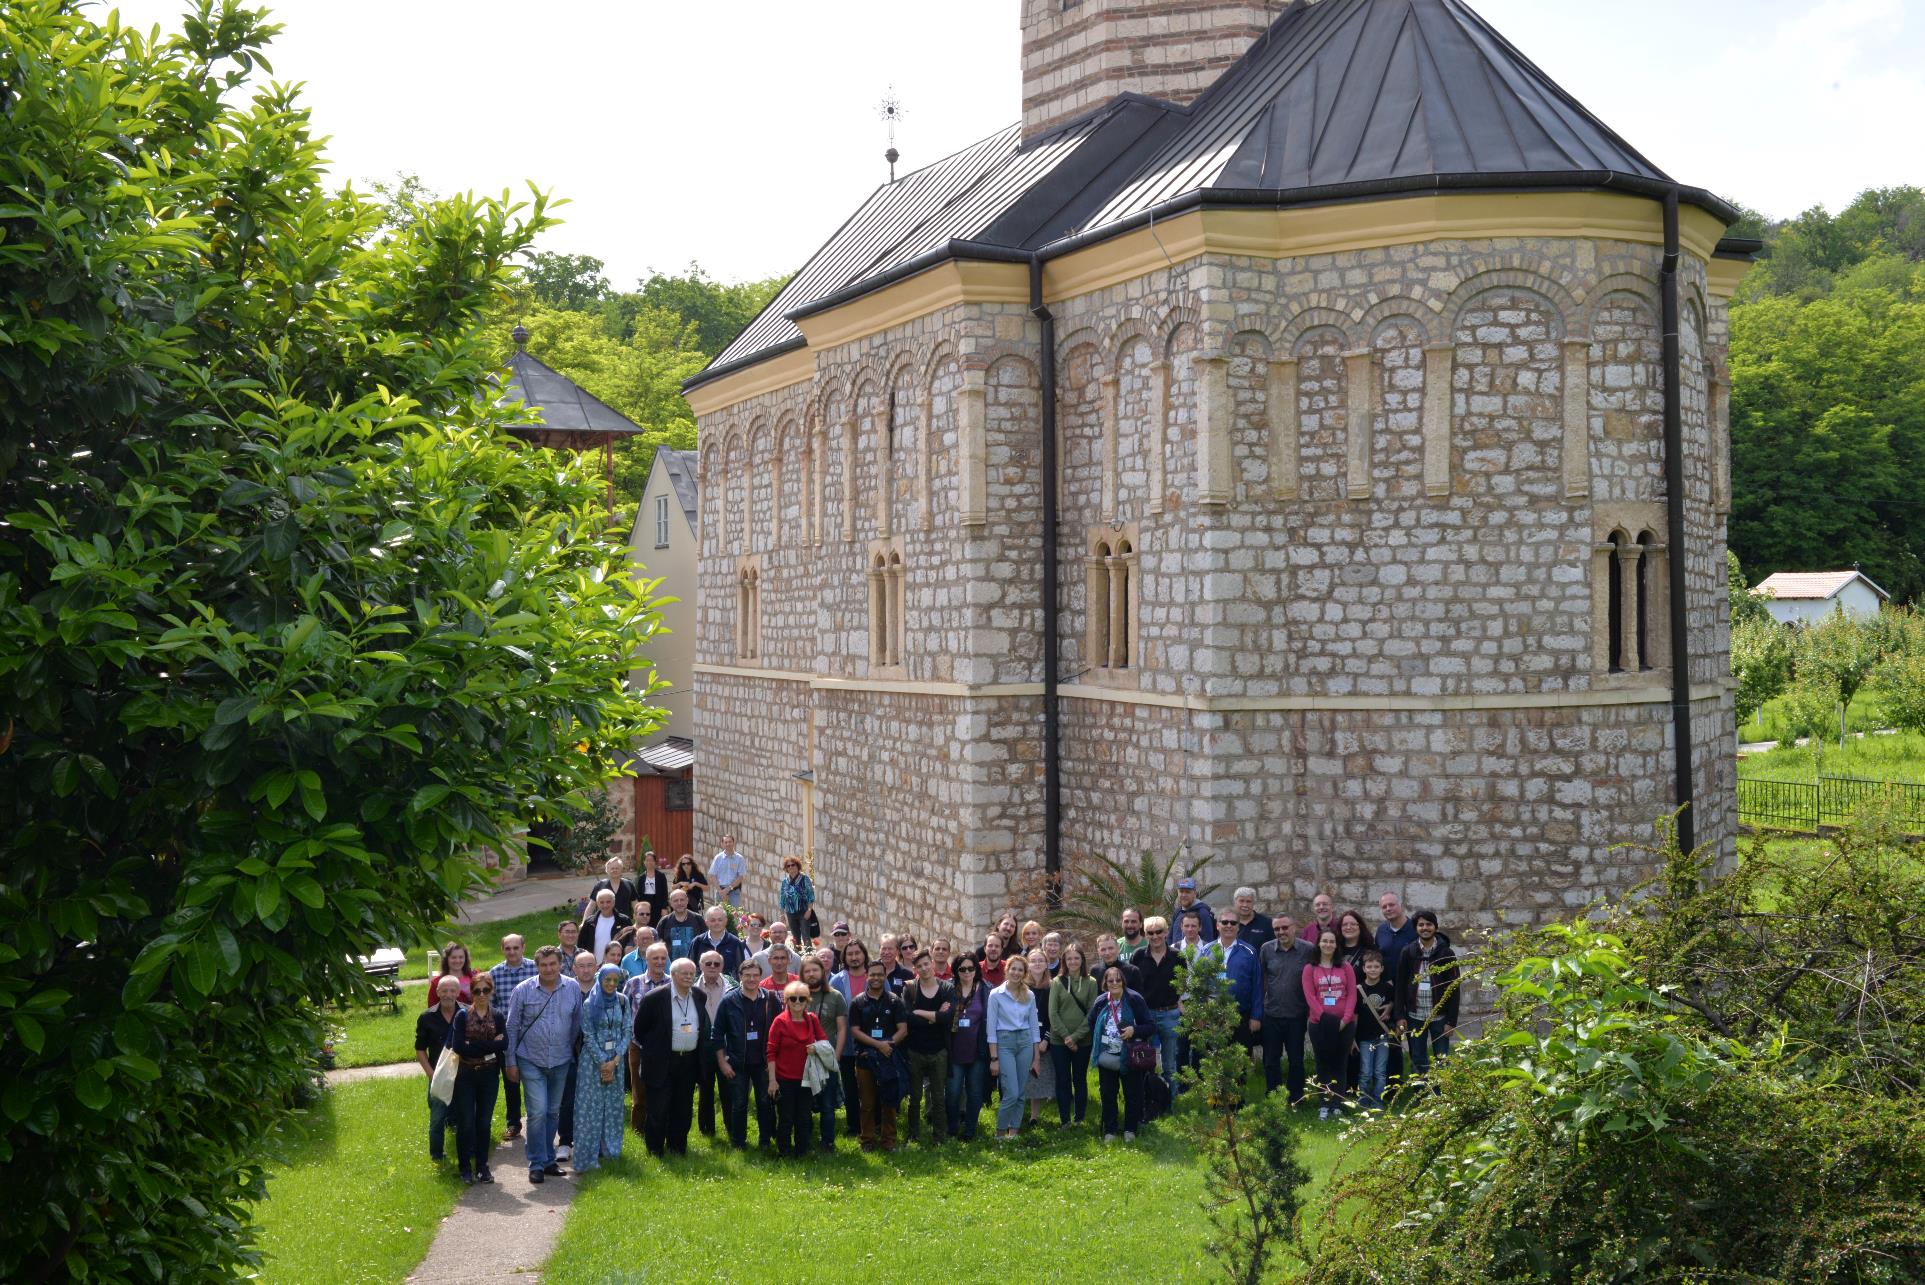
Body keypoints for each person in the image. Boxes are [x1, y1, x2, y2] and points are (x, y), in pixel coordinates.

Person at [504, 946, 582, 1185]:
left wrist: (569, 1053)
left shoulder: (573, 987)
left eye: (552, 964)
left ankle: (548, 1160)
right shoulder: (523, 990)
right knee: (537, 1112)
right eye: (543, 965)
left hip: (561, 1059)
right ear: (536, 966)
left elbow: (577, 1023)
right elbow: (512, 1027)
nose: (548, 969)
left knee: (552, 1112)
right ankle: (536, 1163)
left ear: (560, 964)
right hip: (531, 1059)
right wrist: (510, 1062)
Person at [631, 957, 711, 1156]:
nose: (688, 977)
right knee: (658, 1108)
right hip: (661, 1061)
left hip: (689, 1062)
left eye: (691, 973)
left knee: (683, 1108)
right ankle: (655, 1149)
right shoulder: (654, 998)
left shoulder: (700, 996)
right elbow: (640, 1030)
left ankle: (677, 1148)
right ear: (673, 975)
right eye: (684, 973)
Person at [1085, 963, 1155, 1141]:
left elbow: (1150, 1026)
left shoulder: (1134, 999)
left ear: (1123, 982)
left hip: (1130, 1055)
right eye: (1110, 981)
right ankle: (1110, 1129)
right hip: (1107, 1055)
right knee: (1108, 1094)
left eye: (1118, 980)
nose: (1114, 983)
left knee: (1133, 1094)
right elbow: (1091, 1022)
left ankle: (1130, 1128)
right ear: (1105, 983)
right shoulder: (1101, 1001)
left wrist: (1134, 1030)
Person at [714, 958, 778, 1150]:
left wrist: (774, 1061)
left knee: (765, 1103)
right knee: (739, 1104)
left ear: (760, 976)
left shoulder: (770, 999)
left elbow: (778, 1031)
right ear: (739, 976)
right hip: (737, 1062)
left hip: (763, 1062)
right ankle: (738, 1142)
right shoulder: (728, 1001)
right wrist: (723, 1063)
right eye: (747, 975)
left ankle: (765, 1141)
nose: (751, 979)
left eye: (755, 975)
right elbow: (717, 1034)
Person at [573, 963, 630, 1173]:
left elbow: (627, 1030)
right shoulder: (590, 1004)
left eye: (615, 980)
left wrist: (614, 1061)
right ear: (600, 979)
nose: (611, 984)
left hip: (616, 1061)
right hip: (592, 1064)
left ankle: (610, 1150)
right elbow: (587, 1035)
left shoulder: (623, 1001)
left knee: (613, 1107)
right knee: (591, 1109)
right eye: (608, 980)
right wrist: (603, 1063)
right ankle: (588, 1154)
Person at [448, 972, 505, 1184]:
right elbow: (459, 1047)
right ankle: (465, 1168)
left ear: (491, 992)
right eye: (477, 991)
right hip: (466, 1075)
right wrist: (491, 1044)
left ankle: (482, 1166)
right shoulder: (462, 1016)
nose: (482, 995)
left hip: (489, 1075)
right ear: (471, 992)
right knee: (466, 1123)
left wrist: (475, 1046)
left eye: (486, 990)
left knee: (483, 1122)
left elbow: (504, 1044)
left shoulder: (497, 1015)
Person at [849, 961, 908, 1151]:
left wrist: (888, 1045)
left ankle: (889, 1140)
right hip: (865, 1058)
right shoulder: (858, 1002)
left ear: (885, 976)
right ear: (867, 976)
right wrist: (878, 1045)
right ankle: (867, 1140)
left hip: (888, 1058)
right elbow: (855, 1031)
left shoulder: (894, 1001)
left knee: (889, 1101)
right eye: (872, 974)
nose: (876, 978)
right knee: (867, 1103)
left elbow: (903, 1030)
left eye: (879, 975)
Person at [1258, 914, 1316, 1104]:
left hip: (1296, 1015)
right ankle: (1273, 1096)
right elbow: (1262, 978)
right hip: (1271, 1014)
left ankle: (1295, 1097)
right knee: (1271, 1060)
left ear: (1294, 927)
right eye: (1277, 929)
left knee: (1296, 1060)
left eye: (1284, 928)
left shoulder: (1308, 950)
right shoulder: (1266, 949)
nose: (1281, 932)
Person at [1395, 910, 1460, 1078]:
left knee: (1442, 1057)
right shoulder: (1408, 952)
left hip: (1440, 1016)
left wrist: (1451, 1021)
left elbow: (1454, 988)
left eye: (1429, 924)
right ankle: (1422, 1093)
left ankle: (1441, 1096)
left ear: (1435, 927)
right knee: (1418, 1057)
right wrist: (1400, 1016)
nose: (1425, 928)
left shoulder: (1447, 954)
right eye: (1421, 925)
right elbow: (1400, 986)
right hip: (1415, 1015)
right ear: (1416, 928)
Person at [766, 981, 827, 1159]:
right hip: (784, 1078)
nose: (797, 1002)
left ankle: (802, 1152)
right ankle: (783, 1152)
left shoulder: (812, 1019)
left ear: (807, 1001)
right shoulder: (779, 1022)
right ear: (786, 1000)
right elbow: (771, 1052)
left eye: (802, 998)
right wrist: (772, 1080)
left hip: (807, 1078)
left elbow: (824, 1043)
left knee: (803, 1117)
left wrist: (816, 1048)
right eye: (793, 998)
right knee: (785, 1118)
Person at [899, 948, 953, 1145]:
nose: (924, 968)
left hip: (939, 1051)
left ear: (932, 963)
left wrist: (921, 1013)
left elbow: (947, 1018)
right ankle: (913, 1135)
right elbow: (908, 1018)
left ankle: (940, 1136)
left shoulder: (946, 988)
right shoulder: (910, 988)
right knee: (915, 1097)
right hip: (915, 1051)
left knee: (939, 1097)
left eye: (926, 963)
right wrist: (934, 1016)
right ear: (915, 968)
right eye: (919, 966)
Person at [1302, 928, 1356, 1119]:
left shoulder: (1345, 967)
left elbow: (1351, 995)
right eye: (1324, 941)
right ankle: (1324, 1104)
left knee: (1340, 1064)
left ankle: (1337, 1104)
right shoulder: (1310, 968)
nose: (1328, 945)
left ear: (1336, 945)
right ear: (1318, 944)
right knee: (1323, 1064)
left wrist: (1345, 1019)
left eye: (1332, 941)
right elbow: (1310, 997)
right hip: (1319, 1024)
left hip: (1344, 1024)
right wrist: (1325, 1019)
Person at [487, 934, 537, 1141]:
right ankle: (514, 1123)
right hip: (506, 1036)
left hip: (534, 1035)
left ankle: (537, 1121)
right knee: (511, 1080)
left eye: (516, 948)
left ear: (523, 948)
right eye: (508, 948)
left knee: (534, 1079)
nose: (512, 952)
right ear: (502, 950)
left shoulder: (536, 968)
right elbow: (490, 1005)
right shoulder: (495, 973)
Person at [988, 954, 1042, 1141]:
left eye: (1020, 970)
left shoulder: (1029, 995)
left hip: (1025, 1042)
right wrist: (993, 1058)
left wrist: (1036, 1058)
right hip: (1005, 1043)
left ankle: (1014, 1132)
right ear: (1007, 970)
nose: (1017, 973)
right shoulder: (996, 995)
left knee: (1020, 1092)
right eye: (1014, 968)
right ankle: (1000, 1133)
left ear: (1024, 973)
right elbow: (991, 1029)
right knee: (1010, 1091)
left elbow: (1035, 1027)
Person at [621, 942, 672, 1136]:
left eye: (662, 958)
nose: (659, 962)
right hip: (638, 1045)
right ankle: (639, 1130)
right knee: (639, 1091)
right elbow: (624, 1012)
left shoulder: (672, 983)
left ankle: (663, 1127)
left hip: (666, 1047)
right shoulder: (634, 983)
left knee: (664, 1089)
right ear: (647, 960)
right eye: (655, 958)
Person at [800, 955, 847, 1152]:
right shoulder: (797, 996)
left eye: (815, 970)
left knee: (828, 1106)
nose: (811, 974)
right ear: (802, 974)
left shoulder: (835, 996)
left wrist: (836, 1056)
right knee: (805, 1104)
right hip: (803, 1061)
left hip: (827, 1060)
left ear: (823, 972)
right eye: (807, 971)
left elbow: (842, 1028)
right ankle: (806, 1140)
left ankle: (828, 1143)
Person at [1049, 941, 1097, 1127]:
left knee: (1080, 1079)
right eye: (1069, 958)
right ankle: (1064, 1120)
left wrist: (1075, 1037)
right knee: (1063, 1080)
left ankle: (1079, 1118)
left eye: (1076, 958)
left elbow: (1092, 1012)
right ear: (1064, 961)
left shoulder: (1091, 983)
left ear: (1082, 960)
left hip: (1082, 1041)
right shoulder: (1056, 982)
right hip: (1058, 1041)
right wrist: (1066, 1037)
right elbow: (1053, 1013)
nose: (1073, 961)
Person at [1199, 909, 1263, 1049]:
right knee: (1215, 1060)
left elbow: (1257, 985)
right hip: (1213, 1016)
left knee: (1241, 1062)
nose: (1229, 925)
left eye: (1233, 923)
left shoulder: (1249, 951)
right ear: (1217, 925)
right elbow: (1200, 985)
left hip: (1241, 1016)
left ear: (1238, 927)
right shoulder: (1206, 951)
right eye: (1225, 922)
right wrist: (1201, 1013)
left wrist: (1256, 1016)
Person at [1134, 915, 1183, 1093]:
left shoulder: (1178, 957)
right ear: (1145, 934)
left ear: (1166, 933)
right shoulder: (1138, 957)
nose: (1155, 936)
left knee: (1170, 1065)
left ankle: (1173, 1105)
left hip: (1170, 1014)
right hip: (1146, 1016)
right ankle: (1148, 1104)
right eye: (1150, 933)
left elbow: (1184, 984)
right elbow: (1134, 987)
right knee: (1144, 1063)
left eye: (1158, 932)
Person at [556, 950, 597, 1162]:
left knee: (593, 1099)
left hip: (596, 1056)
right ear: (574, 968)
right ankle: (565, 1141)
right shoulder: (565, 989)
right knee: (567, 1098)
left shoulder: (603, 989)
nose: (586, 969)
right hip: (569, 1053)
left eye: (590, 965)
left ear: (596, 967)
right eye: (581, 965)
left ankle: (590, 1140)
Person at [416, 975, 461, 1162]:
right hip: (438, 1076)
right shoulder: (427, 1017)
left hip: (463, 1076)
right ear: (437, 992)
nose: (448, 994)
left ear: (458, 993)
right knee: (437, 1119)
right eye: (444, 990)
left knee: (465, 1117)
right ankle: (436, 1156)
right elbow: (420, 1050)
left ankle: (467, 1152)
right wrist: (431, 1075)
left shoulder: (467, 1013)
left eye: (452, 990)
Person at [945, 954, 990, 1140]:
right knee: (953, 1093)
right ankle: (953, 1127)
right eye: (962, 969)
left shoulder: (985, 989)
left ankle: (970, 1129)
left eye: (971, 968)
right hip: (954, 1050)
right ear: (956, 970)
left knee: (975, 1092)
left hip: (977, 1051)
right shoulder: (948, 988)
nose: (967, 972)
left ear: (976, 970)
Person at [833, 938, 873, 1134]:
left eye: (858, 953)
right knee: (850, 1086)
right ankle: (853, 1125)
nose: (854, 957)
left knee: (872, 1086)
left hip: (873, 1043)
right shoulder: (837, 981)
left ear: (864, 954)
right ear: (845, 957)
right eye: (850, 954)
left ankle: (874, 1123)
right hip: (848, 1044)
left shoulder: (875, 976)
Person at [693, 949, 732, 1136]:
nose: (712, 967)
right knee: (705, 1089)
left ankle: (732, 1128)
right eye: (708, 963)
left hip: (726, 1046)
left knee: (728, 1090)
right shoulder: (692, 988)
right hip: (702, 1047)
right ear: (700, 966)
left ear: (722, 966)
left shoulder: (732, 987)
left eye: (716, 964)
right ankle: (707, 1130)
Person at [1354, 949, 1396, 1109]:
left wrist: (1391, 1006)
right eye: (1369, 966)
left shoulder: (1387, 988)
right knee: (1365, 1072)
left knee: (1380, 1071)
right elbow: (1355, 1014)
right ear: (1364, 968)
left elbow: (1394, 1005)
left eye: (1376, 966)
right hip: (1364, 1037)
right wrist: (1352, 1037)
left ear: (1382, 969)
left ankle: (1378, 1100)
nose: (1372, 969)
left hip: (1382, 1036)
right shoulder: (1359, 990)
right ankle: (1363, 1100)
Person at [1023, 947, 1057, 1126]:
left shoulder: (1053, 986)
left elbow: (1055, 1015)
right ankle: (1018, 1113)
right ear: (1028, 964)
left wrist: (1046, 1040)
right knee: (1023, 1079)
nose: (1037, 964)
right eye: (1033, 960)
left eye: (1040, 961)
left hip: (1045, 1041)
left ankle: (1033, 1117)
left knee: (1040, 1079)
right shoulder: (1021, 987)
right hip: (1024, 1040)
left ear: (1046, 964)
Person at [577, 890, 630, 964]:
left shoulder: (624, 921)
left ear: (613, 902)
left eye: (608, 902)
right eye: (601, 902)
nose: (605, 905)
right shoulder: (589, 922)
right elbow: (581, 946)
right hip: (593, 967)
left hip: (617, 966)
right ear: (597, 903)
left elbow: (629, 943)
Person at [1375, 891, 1417, 983]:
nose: (1388, 909)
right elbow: (1378, 957)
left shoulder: (1415, 929)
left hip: (1410, 986)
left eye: (1391, 905)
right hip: (1387, 987)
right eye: (1384, 907)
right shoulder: (1381, 930)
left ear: (1401, 905)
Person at [697, 904, 746, 976]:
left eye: (720, 920)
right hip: (702, 986)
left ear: (725, 921)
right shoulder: (698, 942)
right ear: (706, 922)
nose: (717, 923)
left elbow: (741, 969)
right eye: (713, 920)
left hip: (729, 986)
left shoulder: (735, 942)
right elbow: (692, 967)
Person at [778, 856, 816, 946]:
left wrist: (809, 910)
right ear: (786, 868)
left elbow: (811, 896)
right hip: (790, 912)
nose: (791, 867)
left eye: (793, 865)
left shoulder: (804, 879)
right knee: (795, 938)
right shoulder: (785, 882)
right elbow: (782, 898)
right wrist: (782, 914)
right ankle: (798, 957)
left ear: (797, 866)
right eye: (788, 866)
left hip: (804, 911)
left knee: (805, 936)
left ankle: (809, 956)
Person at [657, 888, 702, 963]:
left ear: (687, 901)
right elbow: (657, 944)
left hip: (694, 966)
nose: (679, 903)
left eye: (682, 900)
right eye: (676, 900)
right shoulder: (664, 922)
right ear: (670, 903)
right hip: (671, 967)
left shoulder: (698, 919)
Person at [589, 856, 640, 922]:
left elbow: (635, 905)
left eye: (617, 868)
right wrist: (584, 922)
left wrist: (639, 922)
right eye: (612, 868)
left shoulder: (629, 884)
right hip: (604, 921)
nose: (614, 870)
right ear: (607, 870)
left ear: (621, 870)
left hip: (624, 923)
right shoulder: (600, 885)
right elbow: (591, 905)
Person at [427, 941, 475, 1007]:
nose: (457, 961)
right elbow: (431, 1010)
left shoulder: (474, 978)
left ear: (465, 959)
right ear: (447, 959)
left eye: (461, 957)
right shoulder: (436, 983)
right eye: (453, 957)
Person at [1172, 877, 1216, 941]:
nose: (1184, 895)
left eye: (1187, 892)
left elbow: (1207, 941)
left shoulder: (1203, 913)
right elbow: (1170, 938)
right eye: (1181, 892)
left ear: (1194, 894)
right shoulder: (1177, 912)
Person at [710, 833, 747, 908]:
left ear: (733, 843)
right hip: (720, 890)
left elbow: (740, 877)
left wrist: (727, 889)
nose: (728, 844)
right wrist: (721, 892)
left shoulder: (739, 859)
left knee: (733, 916)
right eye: (725, 842)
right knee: (719, 916)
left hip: (734, 892)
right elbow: (712, 875)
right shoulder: (718, 858)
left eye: (730, 842)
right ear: (722, 844)